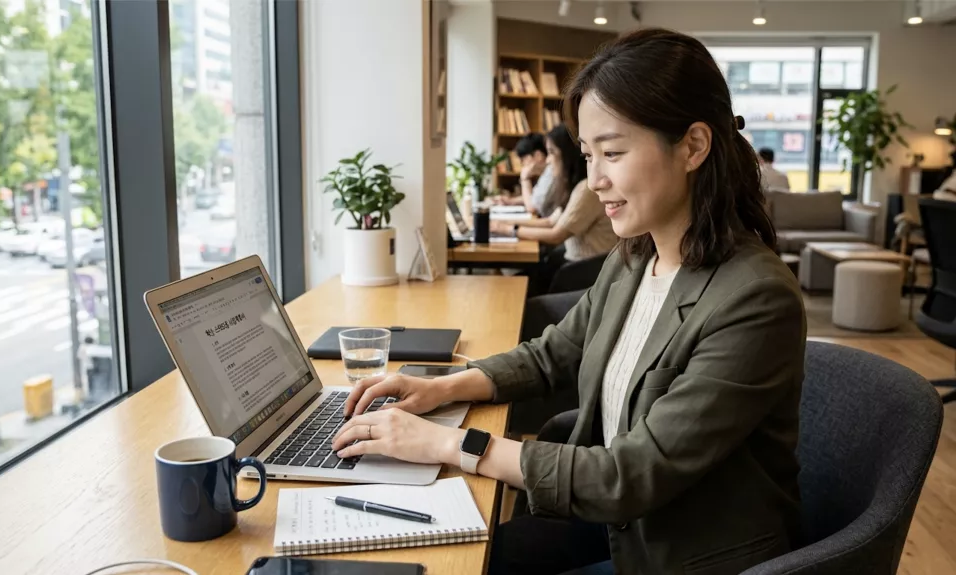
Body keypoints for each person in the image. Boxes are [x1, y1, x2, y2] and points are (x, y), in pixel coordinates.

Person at [332, 27, 805, 575]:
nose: (595, 179)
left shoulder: (755, 298)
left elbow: (630, 475)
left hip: (681, 551)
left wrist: (447, 444)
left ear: (694, 146)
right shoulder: (634, 258)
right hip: (614, 524)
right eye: (587, 155)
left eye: (613, 153)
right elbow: (551, 354)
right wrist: (437, 388)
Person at [493, 124, 619, 296]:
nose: (547, 160)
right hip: (573, 264)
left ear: (566, 154)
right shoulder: (576, 187)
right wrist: (502, 224)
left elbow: (556, 234)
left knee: (511, 290)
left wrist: (509, 230)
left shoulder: (586, 190)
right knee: (509, 284)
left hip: (584, 271)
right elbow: (550, 221)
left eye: (552, 152)